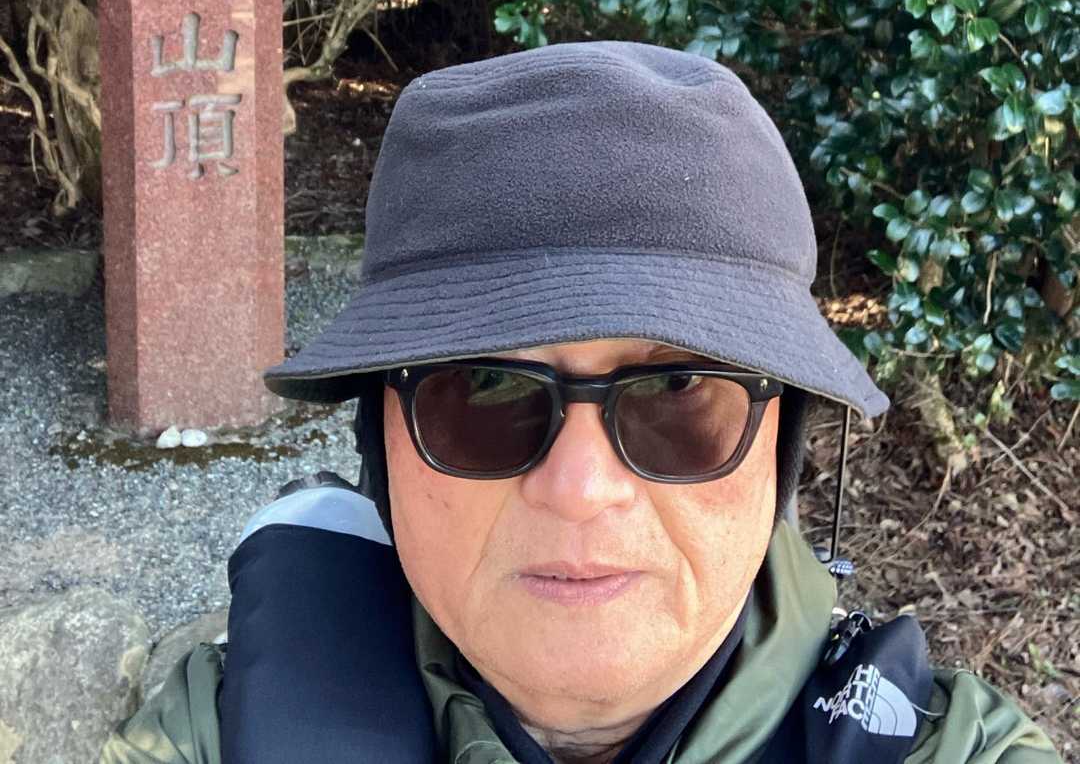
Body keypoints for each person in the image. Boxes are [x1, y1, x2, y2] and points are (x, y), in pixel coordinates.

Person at [102, 41, 1062, 763]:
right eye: (483, 388)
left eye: (679, 390)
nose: (580, 487)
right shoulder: (216, 735)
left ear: (782, 448)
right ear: (379, 443)